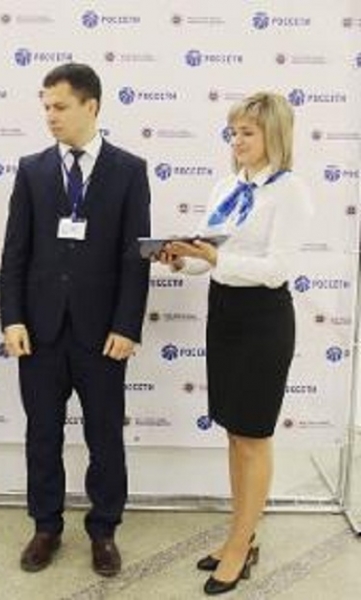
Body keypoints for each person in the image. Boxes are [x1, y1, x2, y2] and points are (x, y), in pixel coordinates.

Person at [0, 63, 151, 577]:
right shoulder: (32, 169)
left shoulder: (129, 170)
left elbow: (134, 258)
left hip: (103, 334)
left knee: (104, 437)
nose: (50, 116)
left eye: (60, 106)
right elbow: (15, 252)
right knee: (42, 435)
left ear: (92, 106)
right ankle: (46, 526)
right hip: (40, 332)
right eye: (46, 106)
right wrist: (12, 319)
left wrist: (127, 326)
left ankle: (104, 530)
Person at [158, 92, 313, 595]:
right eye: (234, 132)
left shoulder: (290, 192)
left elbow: (276, 269)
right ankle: (240, 536)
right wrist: (183, 259)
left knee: (254, 435)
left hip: (263, 319)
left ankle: (241, 545)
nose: (238, 140)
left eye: (248, 132)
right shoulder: (226, 186)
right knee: (234, 433)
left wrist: (216, 260)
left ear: (274, 135)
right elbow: (208, 254)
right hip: (223, 313)